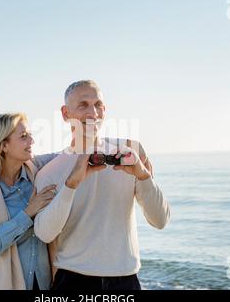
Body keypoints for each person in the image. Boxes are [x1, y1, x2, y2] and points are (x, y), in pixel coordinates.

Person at [33, 80, 171, 290]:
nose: (93, 113)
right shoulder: (50, 172)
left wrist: (143, 176)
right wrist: (71, 185)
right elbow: (45, 234)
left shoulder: (129, 156)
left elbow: (160, 220)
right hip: (73, 281)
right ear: (65, 113)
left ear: (105, 110)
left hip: (126, 281)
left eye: (98, 105)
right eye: (83, 105)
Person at [0, 113, 59, 290]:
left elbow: (70, 156)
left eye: (30, 135)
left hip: (41, 282)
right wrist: (28, 212)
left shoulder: (37, 168)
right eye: (24, 137)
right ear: (3, 146)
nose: (32, 141)